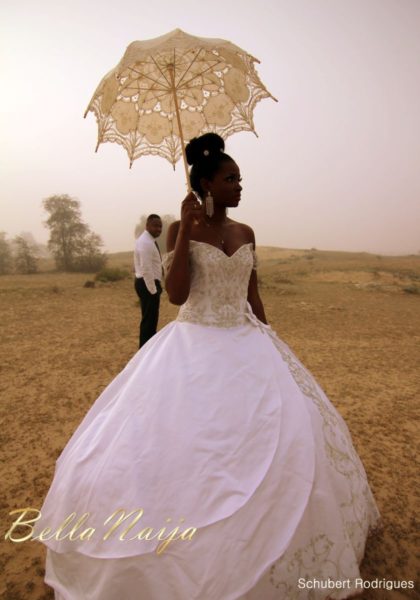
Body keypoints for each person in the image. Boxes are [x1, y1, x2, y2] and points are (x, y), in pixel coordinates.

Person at [35, 133, 380, 600]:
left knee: (290, 433)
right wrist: (188, 228)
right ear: (206, 184)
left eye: (240, 177)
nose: (240, 185)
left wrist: (271, 338)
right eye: (231, 178)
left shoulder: (246, 233)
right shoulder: (181, 229)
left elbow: (253, 293)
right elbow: (177, 296)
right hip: (193, 341)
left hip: (248, 343)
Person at [134, 214, 163, 347]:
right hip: (147, 284)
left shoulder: (148, 240)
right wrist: (153, 290)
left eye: (160, 226)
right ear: (147, 226)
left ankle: (148, 350)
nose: (158, 229)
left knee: (150, 321)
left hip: (148, 283)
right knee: (149, 322)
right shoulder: (145, 242)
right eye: (155, 226)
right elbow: (146, 268)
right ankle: (145, 352)